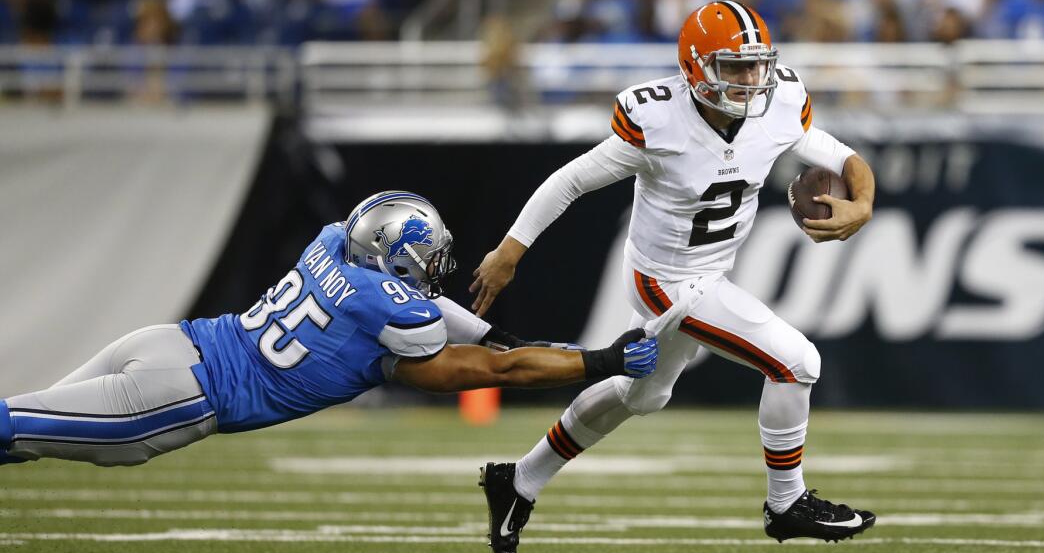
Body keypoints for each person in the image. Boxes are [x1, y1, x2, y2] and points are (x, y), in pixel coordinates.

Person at [472, 0, 878, 553]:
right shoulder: (657, 120)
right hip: (665, 279)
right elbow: (571, 181)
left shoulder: (779, 104)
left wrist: (862, 203)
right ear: (694, 68)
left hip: (710, 271)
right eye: (732, 67)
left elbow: (845, 156)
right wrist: (509, 251)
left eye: (755, 65)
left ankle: (519, 480)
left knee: (645, 394)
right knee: (796, 362)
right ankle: (786, 502)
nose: (748, 79)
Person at [0, 192, 661, 468]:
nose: (435, 274)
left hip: (165, 342)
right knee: (12, 429)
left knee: (17, 437)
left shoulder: (331, 244)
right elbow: (497, 370)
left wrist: (492, 336)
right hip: (181, 397)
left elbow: (483, 343)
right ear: (396, 261)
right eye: (426, 262)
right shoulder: (392, 314)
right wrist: (601, 361)